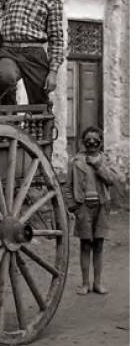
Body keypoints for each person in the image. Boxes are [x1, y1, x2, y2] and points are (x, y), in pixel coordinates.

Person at [66, 127, 119, 296]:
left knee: (99, 245)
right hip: (83, 208)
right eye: (88, 140)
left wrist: (97, 165)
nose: (91, 144)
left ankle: (97, 283)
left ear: (100, 143)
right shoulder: (75, 162)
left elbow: (112, 180)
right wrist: (72, 205)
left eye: (95, 141)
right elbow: (67, 187)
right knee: (85, 245)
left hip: (102, 207)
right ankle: (84, 283)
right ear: (83, 142)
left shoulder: (105, 160)